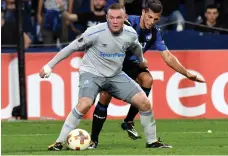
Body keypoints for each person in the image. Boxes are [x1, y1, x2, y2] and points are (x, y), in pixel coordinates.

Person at [40, 3, 180, 151]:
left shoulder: (130, 33)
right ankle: (59, 142)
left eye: (118, 17)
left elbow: (137, 47)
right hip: (92, 74)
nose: (115, 21)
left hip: (115, 75)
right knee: (85, 104)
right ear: (106, 17)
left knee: (144, 103)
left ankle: (152, 141)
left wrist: (141, 61)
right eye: (111, 17)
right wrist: (50, 65)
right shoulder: (94, 32)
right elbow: (71, 47)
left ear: (124, 18)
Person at [88, 0, 205, 149]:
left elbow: (168, 56)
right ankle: (93, 140)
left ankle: (129, 121)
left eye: (156, 19)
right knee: (105, 95)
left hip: (132, 65)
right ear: (143, 12)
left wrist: (187, 73)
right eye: (149, 17)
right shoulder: (128, 22)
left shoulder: (155, 33)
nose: (152, 22)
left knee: (147, 79)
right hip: (113, 64)